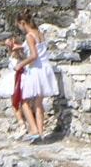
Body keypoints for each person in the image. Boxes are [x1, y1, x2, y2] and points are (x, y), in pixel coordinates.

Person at [15, 9, 59, 143]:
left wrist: (21, 64)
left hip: (36, 69)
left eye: (19, 25)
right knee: (39, 103)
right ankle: (41, 133)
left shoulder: (29, 36)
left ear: (23, 23)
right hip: (45, 68)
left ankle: (34, 130)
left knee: (24, 101)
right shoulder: (40, 34)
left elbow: (34, 56)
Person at [1, 37, 36, 138]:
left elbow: (12, 46)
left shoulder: (16, 54)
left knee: (16, 103)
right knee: (24, 102)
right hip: (22, 77)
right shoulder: (24, 54)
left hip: (17, 78)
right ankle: (26, 122)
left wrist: (14, 45)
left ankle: (22, 123)